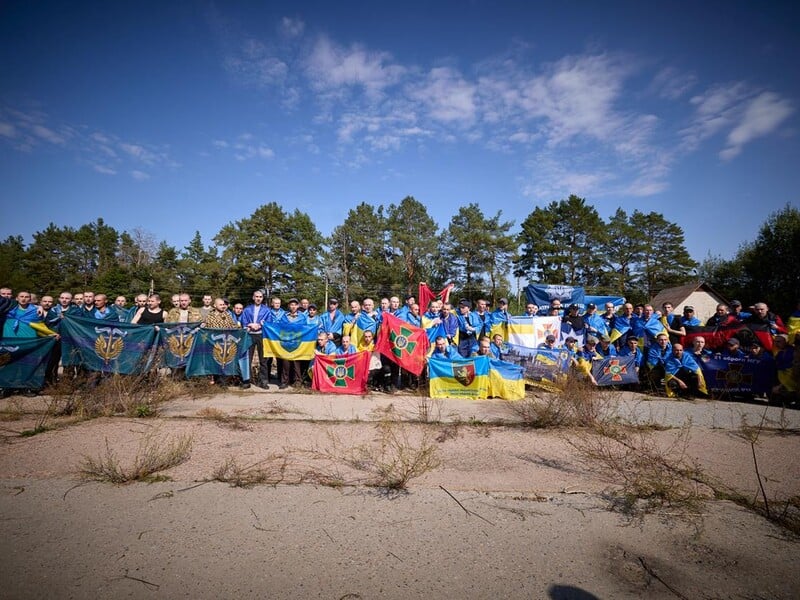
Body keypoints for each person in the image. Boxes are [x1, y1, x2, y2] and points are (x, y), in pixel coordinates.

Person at [241, 289, 269, 388]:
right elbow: (243, 321)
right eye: (256, 296)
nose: (258, 298)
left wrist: (260, 325)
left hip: (261, 335)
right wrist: (250, 325)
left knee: (263, 359)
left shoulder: (266, 310)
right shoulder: (247, 309)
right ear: (253, 298)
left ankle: (263, 381)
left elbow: (268, 322)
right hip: (250, 335)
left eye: (260, 297)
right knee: (248, 358)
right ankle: (246, 380)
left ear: (262, 298)